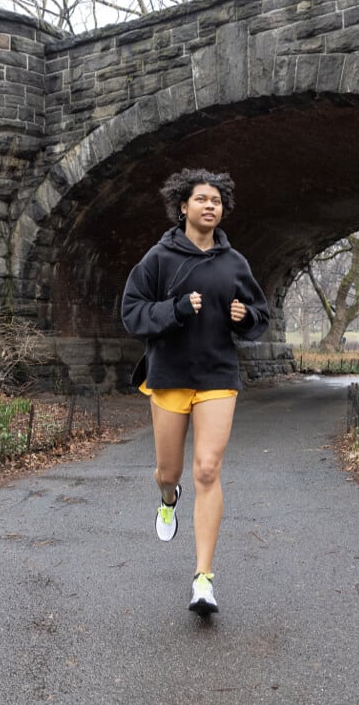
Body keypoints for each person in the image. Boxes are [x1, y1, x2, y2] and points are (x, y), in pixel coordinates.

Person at [121, 168, 269, 615]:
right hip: (169, 375)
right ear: (183, 206)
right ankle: (169, 498)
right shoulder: (159, 258)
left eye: (217, 201)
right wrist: (176, 309)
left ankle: (203, 579)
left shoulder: (234, 262)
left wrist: (245, 317)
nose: (210, 206)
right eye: (202, 199)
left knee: (207, 469)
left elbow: (260, 314)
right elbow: (132, 312)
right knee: (170, 471)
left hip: (218, 376)